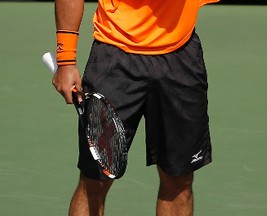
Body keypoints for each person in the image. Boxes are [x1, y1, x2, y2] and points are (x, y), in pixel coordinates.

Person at [52, 0, 219, 215]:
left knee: (179, 179)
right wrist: (66, 60)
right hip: (113, 57)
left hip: (180, 56)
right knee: (94, 180)